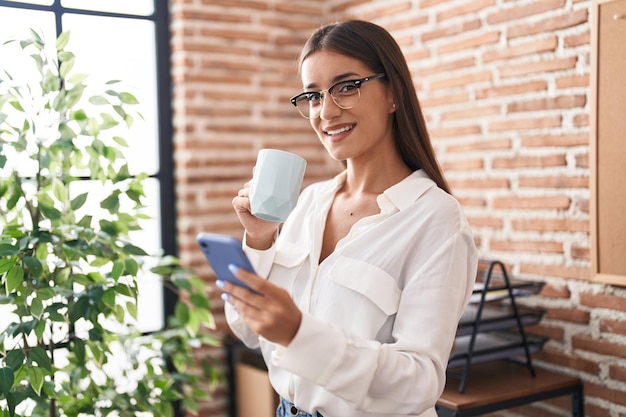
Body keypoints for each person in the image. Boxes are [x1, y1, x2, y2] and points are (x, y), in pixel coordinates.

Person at [223, 20, 478, 417]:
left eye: (346, 87)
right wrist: (258, 241)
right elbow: (247, 331)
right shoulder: (308, 202)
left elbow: (420, 381)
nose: (325, 112)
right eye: (312, 95)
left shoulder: (436, 219)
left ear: (393, 93)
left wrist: (300, 334)